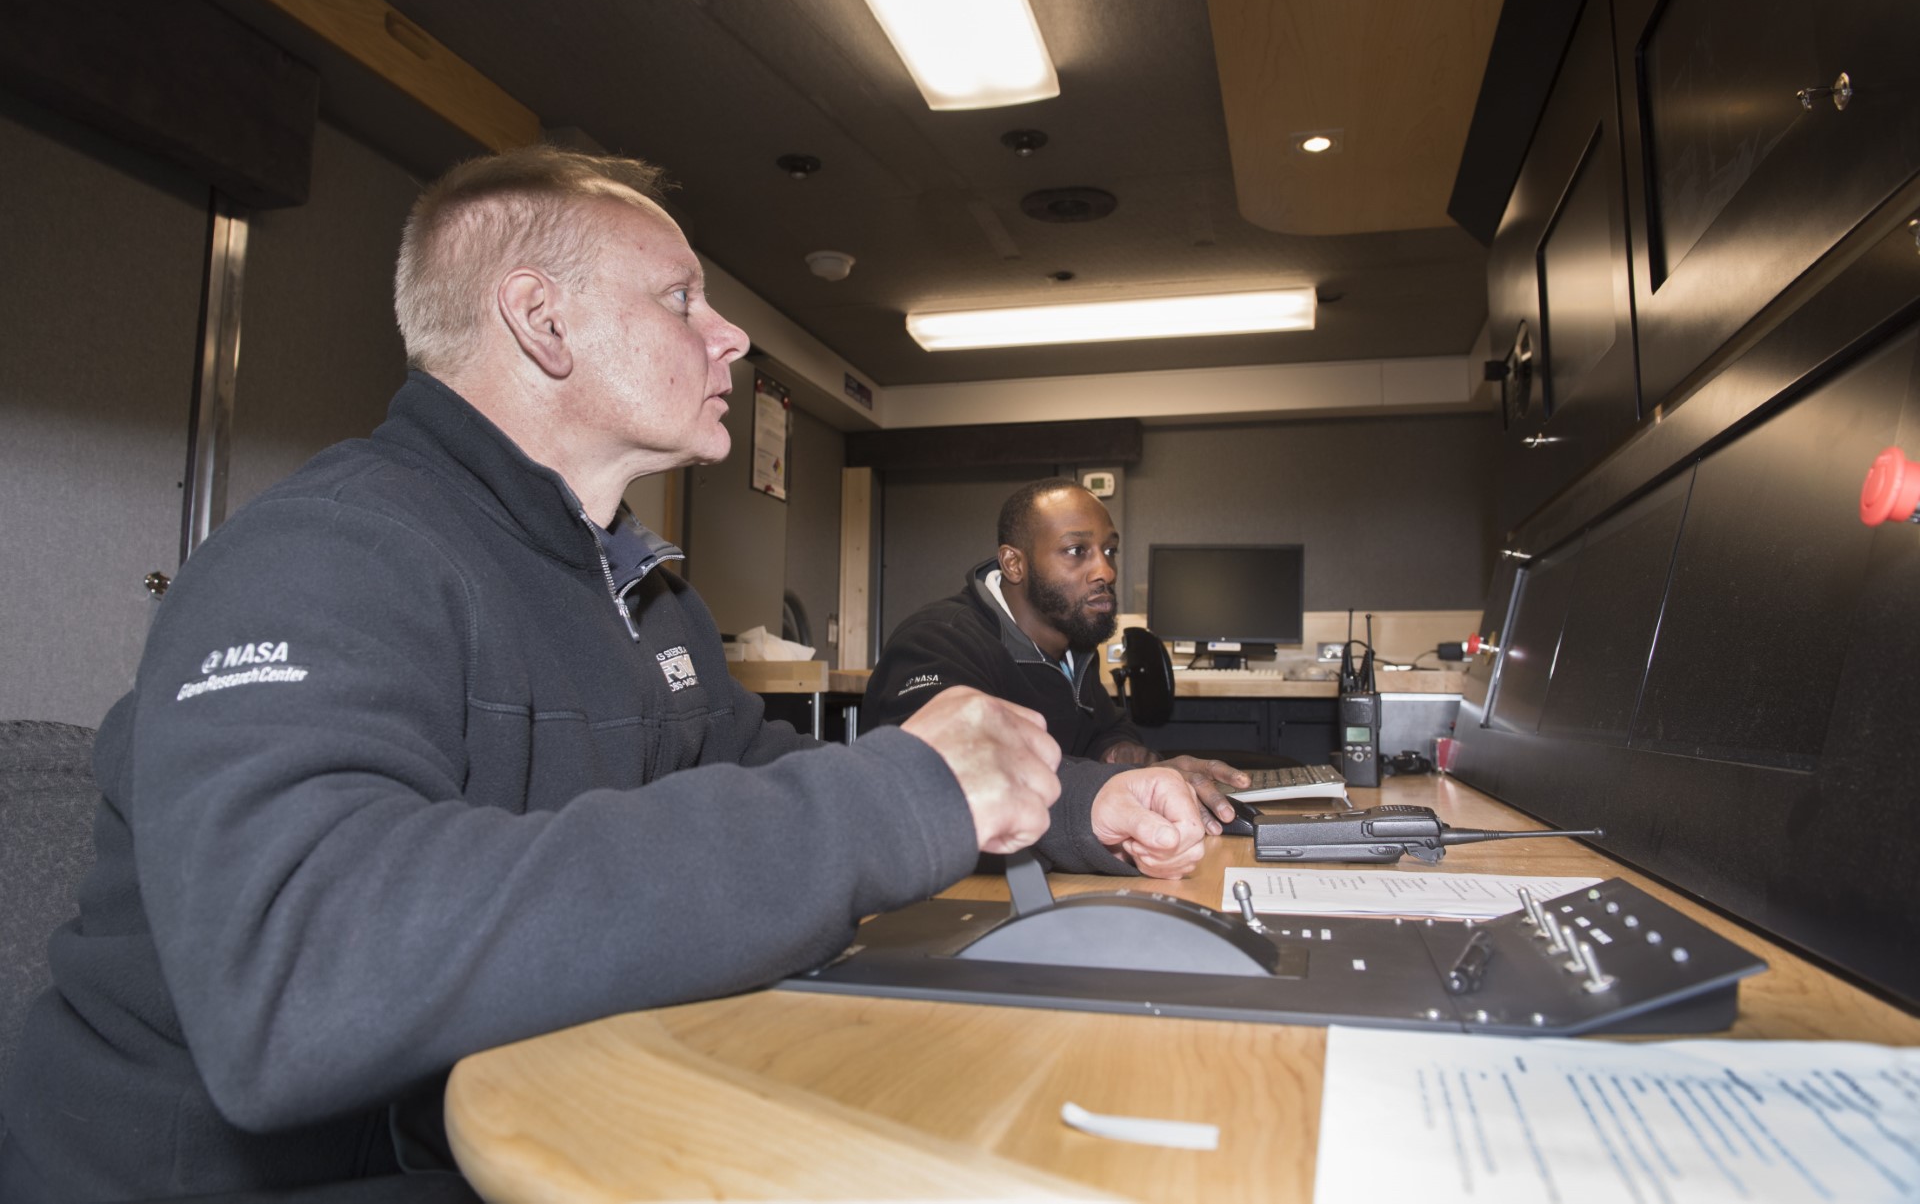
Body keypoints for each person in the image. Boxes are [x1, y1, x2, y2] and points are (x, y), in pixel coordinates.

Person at [0, 148, 1211, 1202]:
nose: (730, 334)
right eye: (683, 297)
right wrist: (900, 796)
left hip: (494, 1121)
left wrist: (1063, 807)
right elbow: (298, 974)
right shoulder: (325, 553)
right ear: (543, 319)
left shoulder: (643, 594)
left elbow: (758, 774)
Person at [863, 478, 1252, 832]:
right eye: (1076, 550)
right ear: (1014, 563)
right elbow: (948, 778)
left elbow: (1104, 730)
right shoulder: (939, 641)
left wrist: (1122, 756)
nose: (1106, 570)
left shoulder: (1074, 645)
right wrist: (1113, 785)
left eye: (1109, 550)